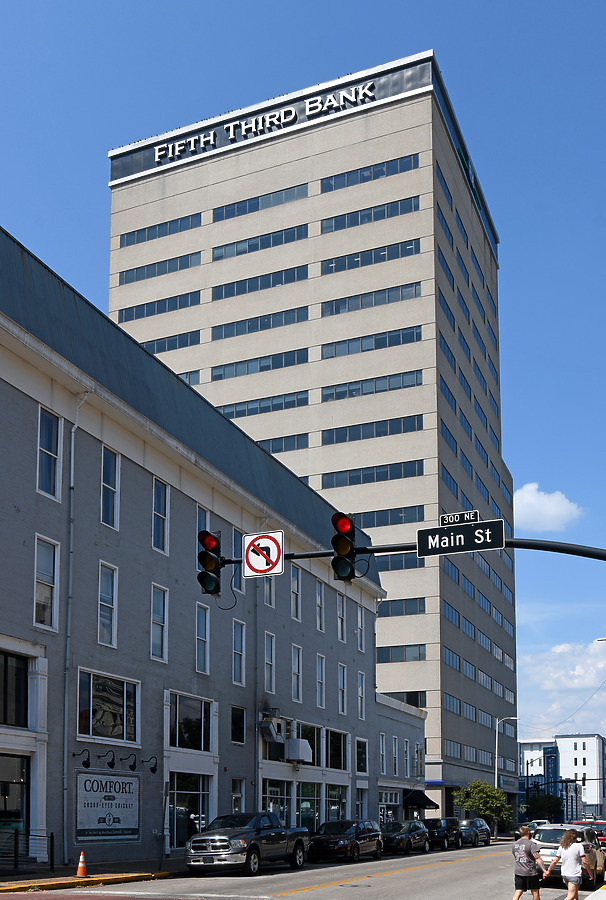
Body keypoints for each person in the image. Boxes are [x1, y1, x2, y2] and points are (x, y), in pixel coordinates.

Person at [544, 828, 593, 900]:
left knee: (575, 896)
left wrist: (548, 870)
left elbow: (555, 861)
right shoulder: (579, 846)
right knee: (571, 896)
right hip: (574, 874)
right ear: (575, 837)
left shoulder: (562, 847)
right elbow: (585, 861)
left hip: (565, 874)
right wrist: (590, 873)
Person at [512, 824, 548, 900]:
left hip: (518, 872)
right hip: (530, 872)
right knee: (535, 892)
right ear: (528, 832)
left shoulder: (515, 845)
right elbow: (538, 858)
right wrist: (544, 870)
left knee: (518, 892)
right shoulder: (531, 844)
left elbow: (515, 856)